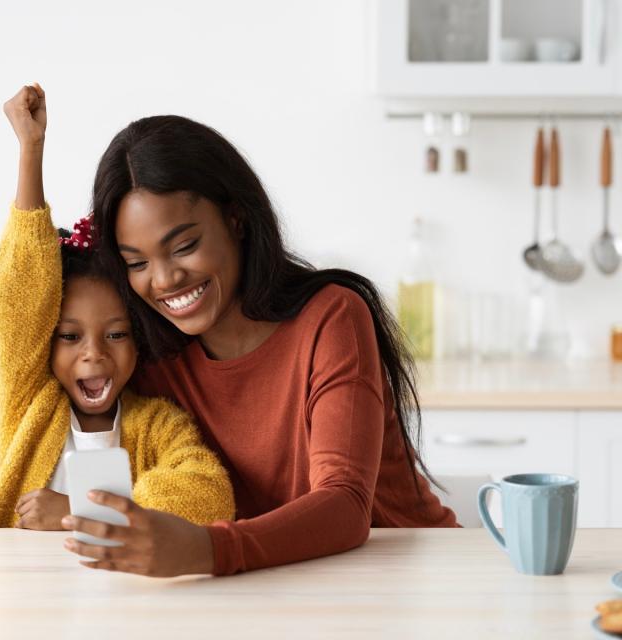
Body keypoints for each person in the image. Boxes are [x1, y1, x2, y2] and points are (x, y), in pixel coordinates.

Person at [58, 114, 458, 576]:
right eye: (137, 262)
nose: (164, 280)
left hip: (408, 575)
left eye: (184, 246)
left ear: (236, 219)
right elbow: (54, 419)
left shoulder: (331, 318)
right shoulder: (151, 354)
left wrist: (207, 550)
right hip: (273, 584)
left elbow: (345, 505)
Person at [0, 86, 234, 532]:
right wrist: (30, 150)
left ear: (139, 339)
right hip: (30, 596)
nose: (94, 354)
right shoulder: (28, 402)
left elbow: (209, 495)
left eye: (116, 334)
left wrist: (81, 512)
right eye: (70, 336)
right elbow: (20, 299)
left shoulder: (157, 426)